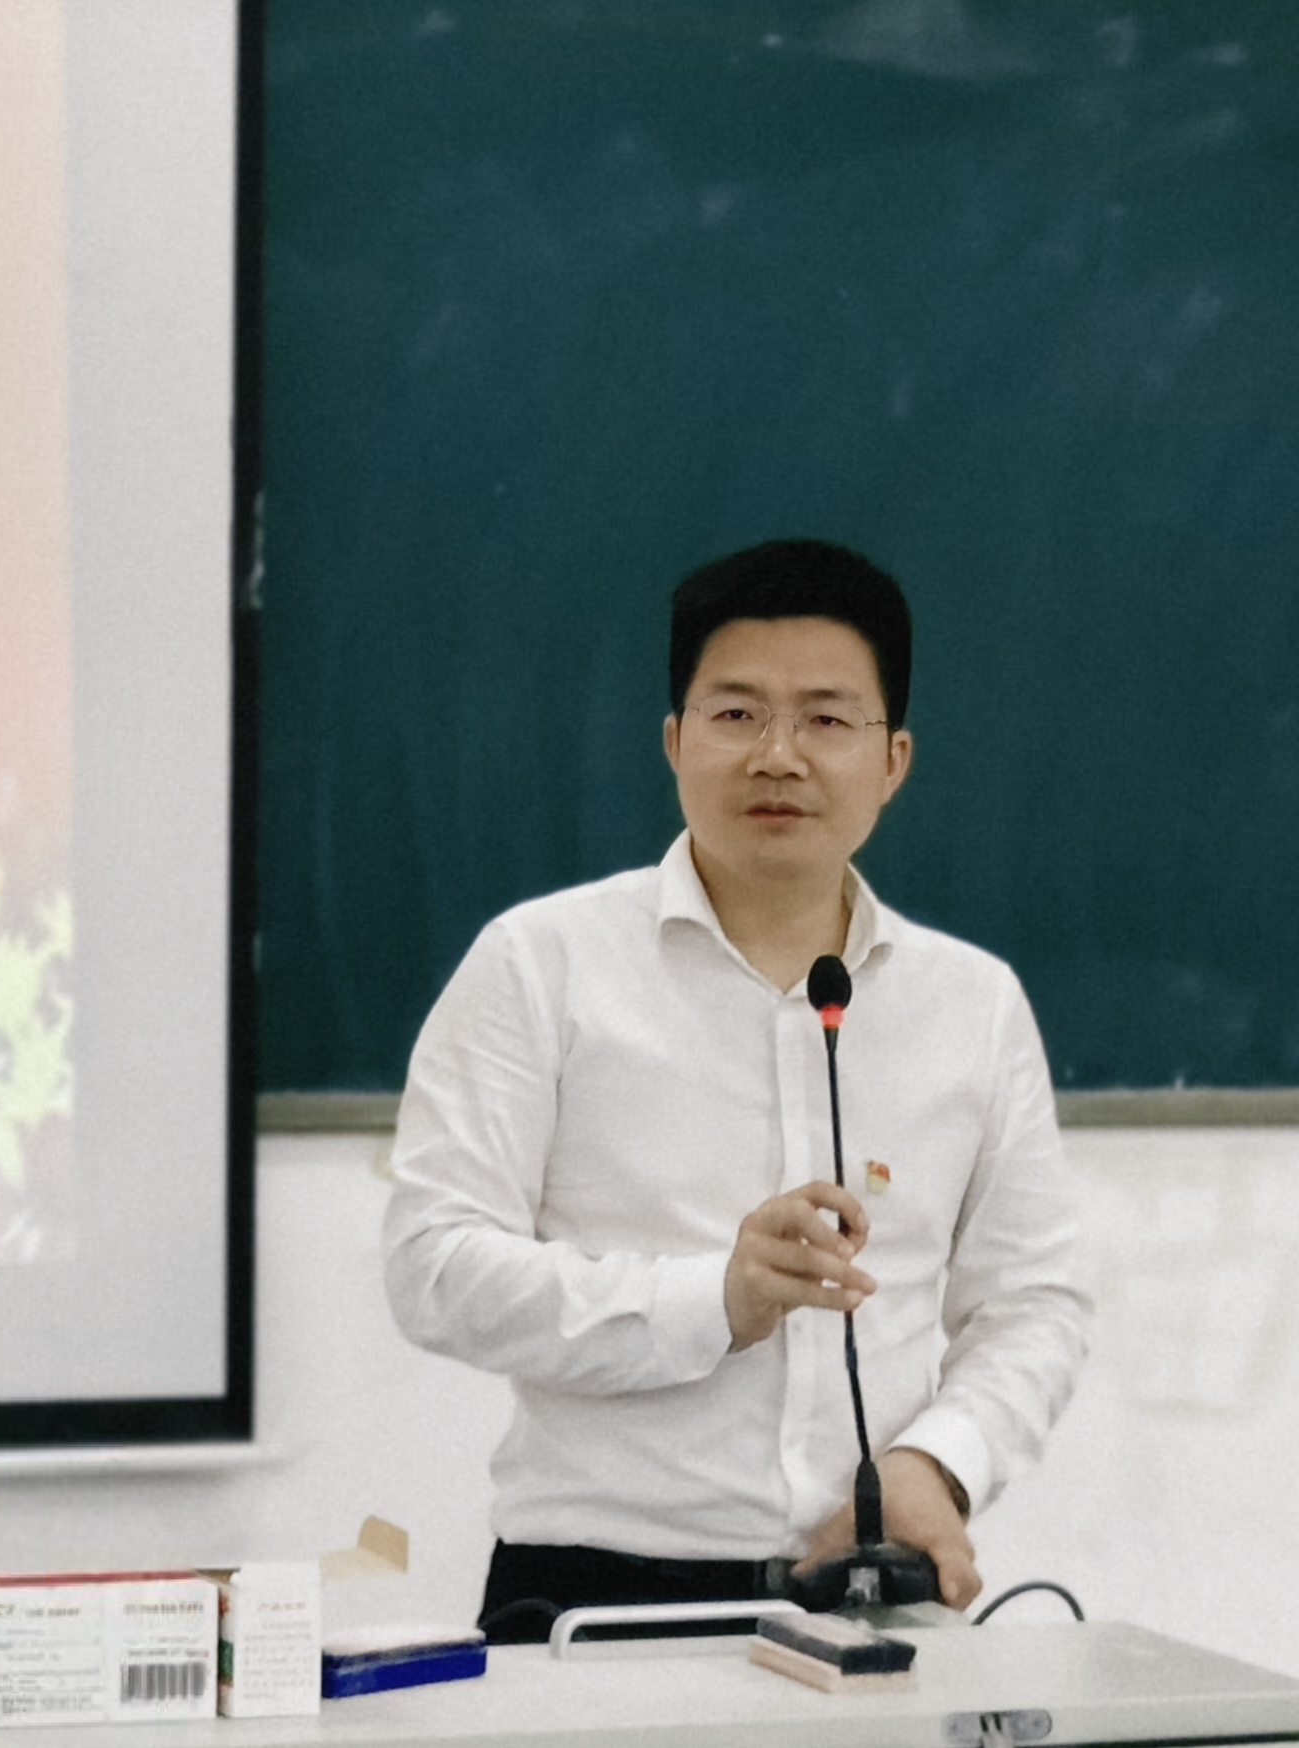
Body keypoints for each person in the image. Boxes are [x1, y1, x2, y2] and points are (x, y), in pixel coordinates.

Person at [380, 539, 1091, 1642]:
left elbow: (1033, 1303)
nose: (778, 755)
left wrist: (937, 1463)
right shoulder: (541, 965)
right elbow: (433, 1267)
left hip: (877, 1596)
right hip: (593, 1600)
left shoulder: (972, 1003)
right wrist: (712, 1300)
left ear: (893, 759)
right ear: (674, 741)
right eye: (737, 714)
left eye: (826, 718)